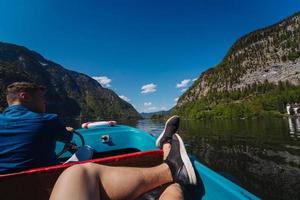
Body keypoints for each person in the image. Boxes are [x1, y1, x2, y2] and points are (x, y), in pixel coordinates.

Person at [50, 115, 197, 200]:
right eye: (40, 94)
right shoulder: (46, 120)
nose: (43, 99)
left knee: (76, 173)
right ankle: (171, 168)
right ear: (26, 96)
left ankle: (171, 164)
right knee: (78, 174)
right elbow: (66, 136)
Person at [0, 82, 79, 173]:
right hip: (46, 181)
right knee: (88, 164)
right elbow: (67, 137)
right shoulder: (48, 120)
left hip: (4, 185)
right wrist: (69, 131)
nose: (44, 102)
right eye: (41, 98)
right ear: (25, 97)